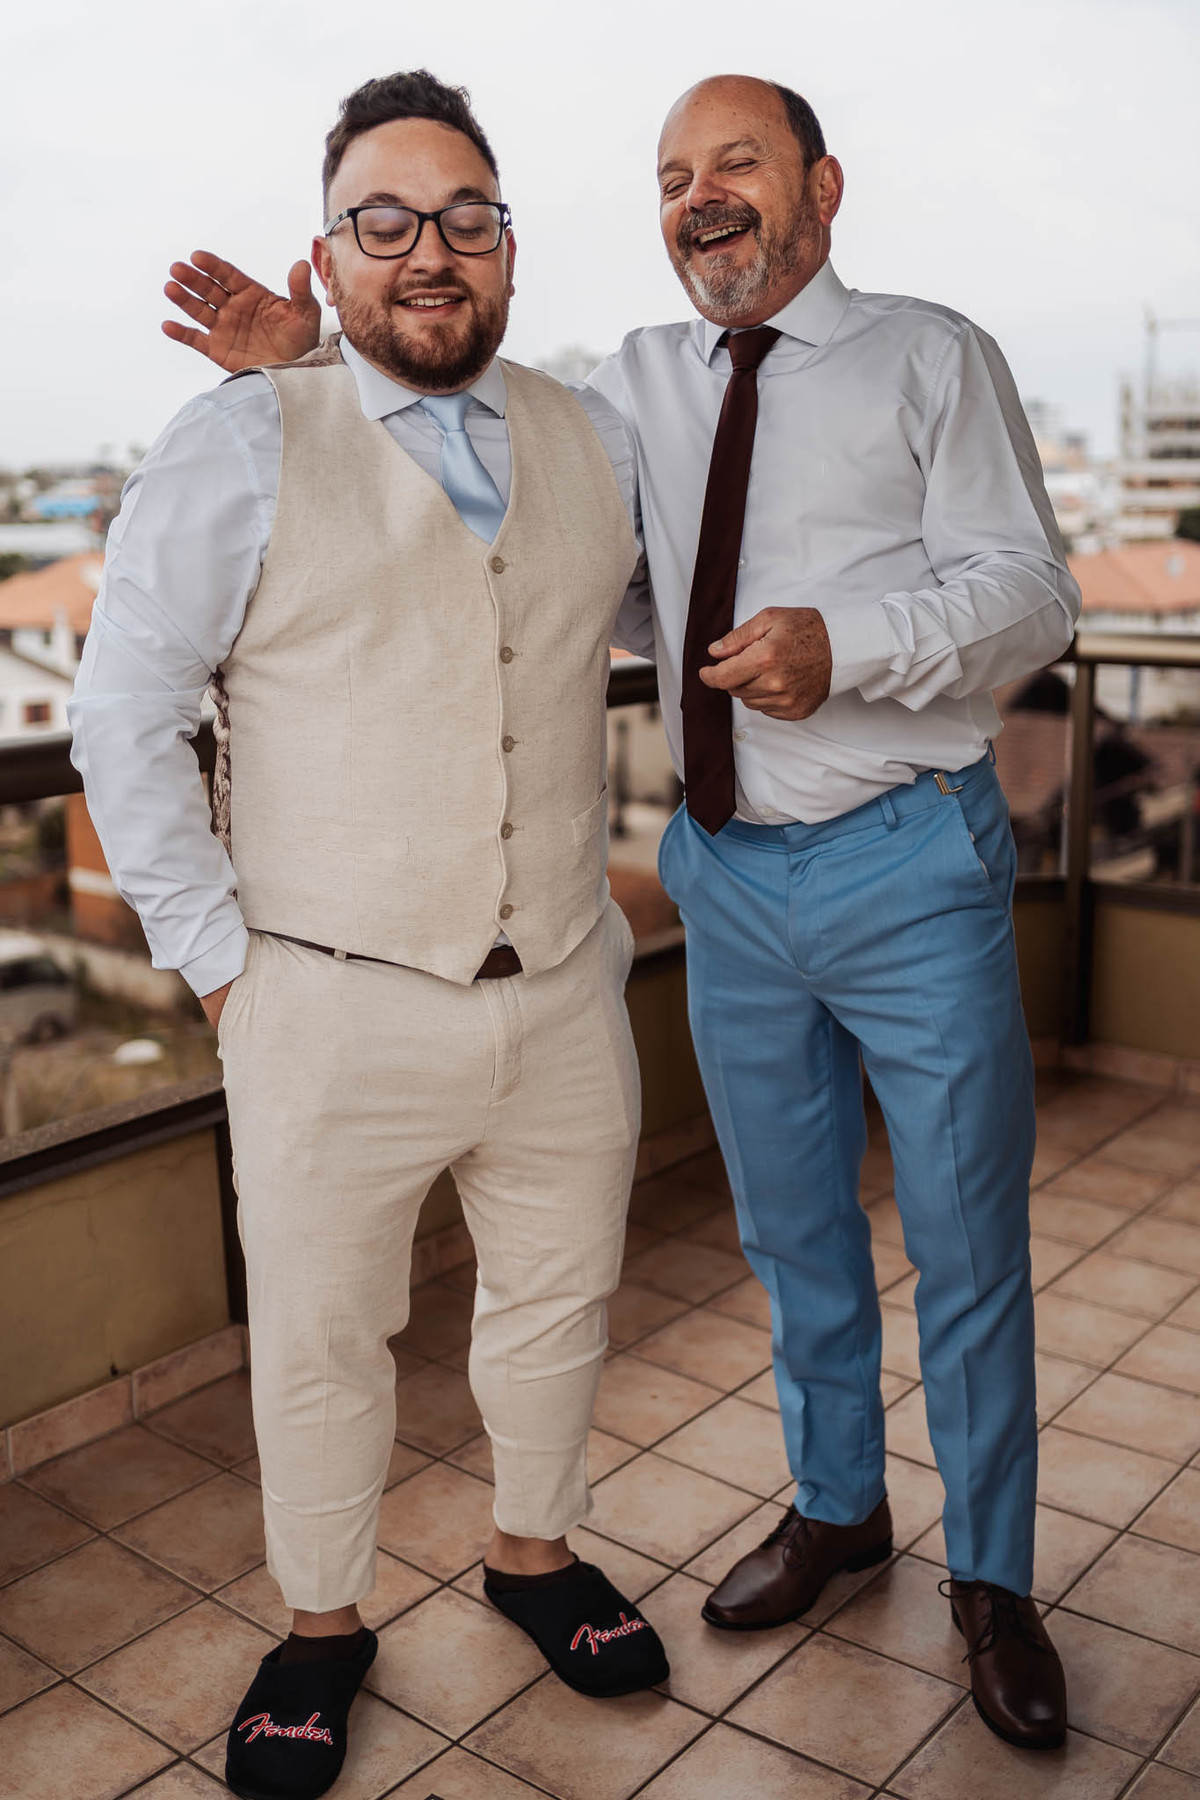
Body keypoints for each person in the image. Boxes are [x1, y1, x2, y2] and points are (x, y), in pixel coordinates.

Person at [160, 72, 1079, 1754]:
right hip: (724, 870)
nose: (704, 197)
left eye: (739, 164)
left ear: (824, 186)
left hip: (908, 858)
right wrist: (310, 371)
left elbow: (1036, 591)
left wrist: (846, 649)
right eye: (673, 176)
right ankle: (836, 1508)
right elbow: (473, 498)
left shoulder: (933, 357)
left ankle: (996, 1582)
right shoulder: (625, 392)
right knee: (790, 1230)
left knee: (964, 1245)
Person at [70, 70, 668, 1800]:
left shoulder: (589, 438)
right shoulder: (236, 443)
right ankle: (323, 1626)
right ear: (326, 257)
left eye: (464, 217)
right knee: (325, 1341)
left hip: (561, 983)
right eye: (383, 221)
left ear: (504, 246)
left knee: (559, 1300)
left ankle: (535, 1557)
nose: (430, 251)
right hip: (323, 1001)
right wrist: (223, 970)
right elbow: (125, 716)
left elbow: (620, 616)